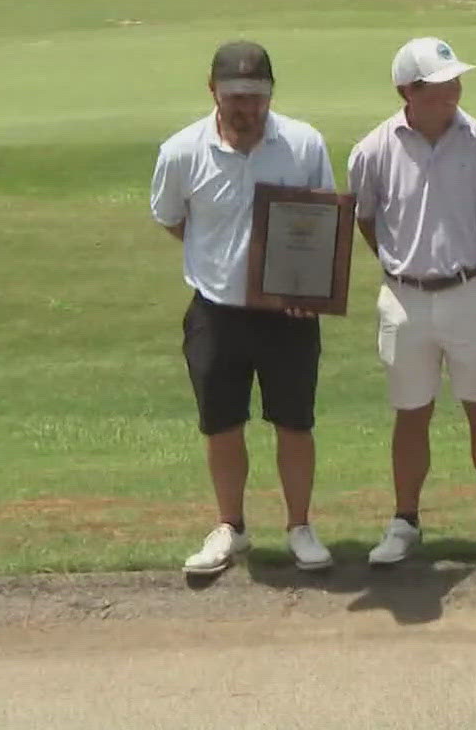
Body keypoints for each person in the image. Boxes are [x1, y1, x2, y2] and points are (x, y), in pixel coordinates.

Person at [150, 41, 335, 575]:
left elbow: (321, 220)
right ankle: (231, 526)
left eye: (257, 96)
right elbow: (171, 217)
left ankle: (300, 526)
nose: (246, 108)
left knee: (295, 422)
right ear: (213, 91)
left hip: (289, 314)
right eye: (235, 96)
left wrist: (302, 288)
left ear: (271, 95)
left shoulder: (303, 143)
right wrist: (218, 264)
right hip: (216, 310)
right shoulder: (182, 151)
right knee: (221, 423)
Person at [348, 37, 476, 565]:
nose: (453, 91)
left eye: (455, 82)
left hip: (469, 292)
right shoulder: (373, 149)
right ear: (409, 90)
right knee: (410, 412)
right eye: (441, 85)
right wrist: (407, 265)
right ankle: (404, 521)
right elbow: (366, 218)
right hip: (404, 299)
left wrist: (469, 263)